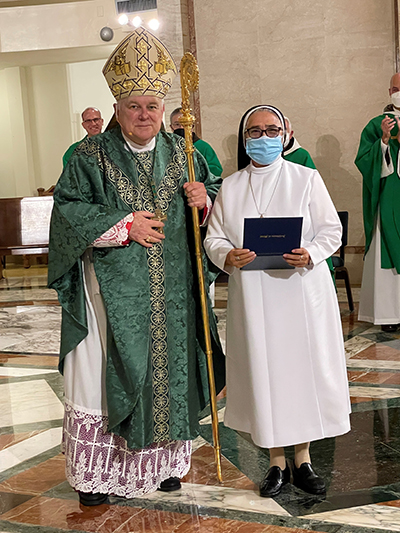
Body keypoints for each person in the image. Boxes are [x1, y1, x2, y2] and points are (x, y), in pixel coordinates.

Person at [48, 27, 224, 506]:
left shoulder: (184, 153)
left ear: (163, 108)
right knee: (108, 374)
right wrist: (123, 224)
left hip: (171, 290)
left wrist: (202, 201)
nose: (144, 115)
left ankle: (164, 465)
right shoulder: (88, 155)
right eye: (134, 107)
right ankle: (98, 477)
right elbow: (67, 212)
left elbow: (215, 207)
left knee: (169, 368)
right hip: (110, 294)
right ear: (116, 110)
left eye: (152, 106)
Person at [204, 105, 350, 498]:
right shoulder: (231, 186)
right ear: (244, 137)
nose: (264, 137)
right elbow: (213, 238)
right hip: (254, 298)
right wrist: (225, 256)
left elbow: (330, 230)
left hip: (301, 293)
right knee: (264, 373)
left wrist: (312, 252)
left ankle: (303, 459)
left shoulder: (306, 178)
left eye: (272, 130)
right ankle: (275, 462)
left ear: (285, 134)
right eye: (255, 131)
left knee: (299, 373)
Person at [355, 73, 400, 332]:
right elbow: (364, 159)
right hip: (387, 199)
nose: (398, 92)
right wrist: (383, 140)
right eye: (395, 88)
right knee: (386, 255)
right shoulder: (376, 123)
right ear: (388, 90)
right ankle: (389, 315)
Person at [170, 108, 223, 177]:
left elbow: (216, 170)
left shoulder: (203, 147)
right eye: (177, 124)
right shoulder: (168, 147)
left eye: (185, 124)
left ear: (192, 126)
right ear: (171, 127)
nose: (181, 127)